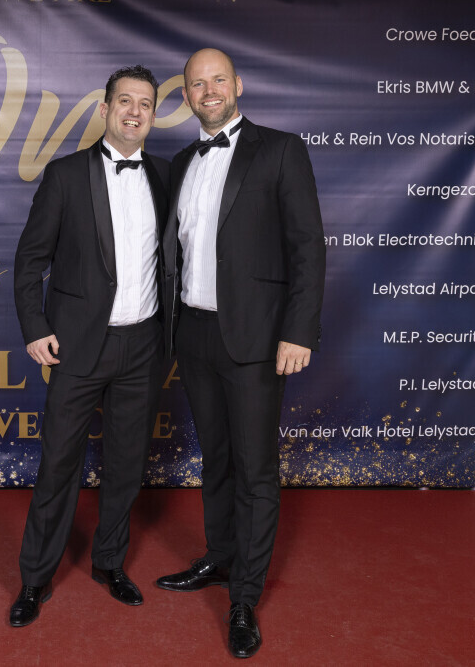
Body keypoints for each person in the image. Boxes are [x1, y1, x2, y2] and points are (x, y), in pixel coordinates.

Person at [157, 48, 325, 658]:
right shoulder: (181, 162)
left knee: (255, 469)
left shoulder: (280, 150)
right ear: (186, 95)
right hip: (195, 334)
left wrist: (298, 332)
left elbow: (307, 247)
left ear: (238, 85)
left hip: (256, 338)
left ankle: (244, 598)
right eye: (197, 84)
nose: (208, 91)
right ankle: (221, 557)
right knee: (218, 459)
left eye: (218, 80)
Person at [10, 65, 169, 627]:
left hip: (143, 344)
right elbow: (29, 261)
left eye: (144, 103)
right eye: (124, 101)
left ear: (153, 114)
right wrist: (35, 327)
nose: (134, 111)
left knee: (127, 464)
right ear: (105, 109)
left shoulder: (165, 175)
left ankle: (110, 562)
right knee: (59, 463)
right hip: (77, 345)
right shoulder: (65, 175)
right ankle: (35, 578)